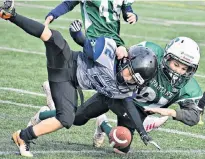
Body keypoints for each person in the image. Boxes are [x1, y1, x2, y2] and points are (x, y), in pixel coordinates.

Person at [0, 0, 158, 157]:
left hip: (67, 83)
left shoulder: (126, 88)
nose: (128, 79)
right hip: (66, 61)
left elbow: (130, 108)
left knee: (67, 119)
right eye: (130, 73)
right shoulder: (108, 52)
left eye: (134, 80)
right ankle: (11, 15)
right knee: (53, 37)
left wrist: (143, 133)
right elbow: (85, 44)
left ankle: (22, 136)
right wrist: (77, 34)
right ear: (126, 60)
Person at [27, 20, 203, 154]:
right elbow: (129, 58)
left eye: (184, 68)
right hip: (116, 95)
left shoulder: (187, 86)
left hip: (138, 111)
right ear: (166, 57)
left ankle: (102, 124)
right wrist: (122, 49)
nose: (178, 71)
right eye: (175, 64)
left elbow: (194, 117)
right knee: (77, 118)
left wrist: (171, 112)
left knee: (121, 145)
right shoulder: (152, 54)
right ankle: (43, 114)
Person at [44, 0, 138, 46]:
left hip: (114, 39)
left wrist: (132, 16)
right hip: (95, 37)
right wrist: (53, 14)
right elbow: (68, 4)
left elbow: (127, 11)